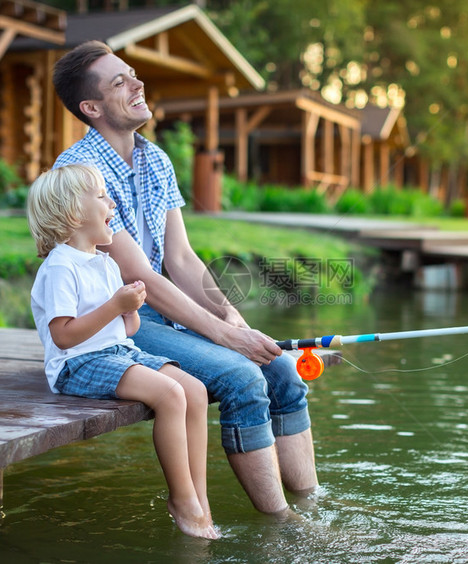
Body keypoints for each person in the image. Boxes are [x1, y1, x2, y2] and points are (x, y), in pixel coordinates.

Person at [51, 41, 318, 517]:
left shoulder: (156, 160)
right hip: (120, 318)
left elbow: (182, 257)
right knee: (242, 377)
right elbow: (138, 277)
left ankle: (311, 505)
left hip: (166, 307)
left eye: (134, 74)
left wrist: (229, 313)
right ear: (90, 108)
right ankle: (283, 526)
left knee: (281, 370)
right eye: (120, 82)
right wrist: (226, 338)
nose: (138, 84)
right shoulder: (78, 175)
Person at [27, 164, 218, 539]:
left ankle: (200, 498)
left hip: (118, 351)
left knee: (194, 390)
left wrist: (128, 309)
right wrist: (115, 306)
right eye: (100, 196)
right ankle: (181, 499)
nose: (111, 202)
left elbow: (127, 329)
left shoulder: (105, 263)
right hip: (77, 364)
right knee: (170, 393)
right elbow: (64, 336)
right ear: (71, 213)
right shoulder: (60, 267)